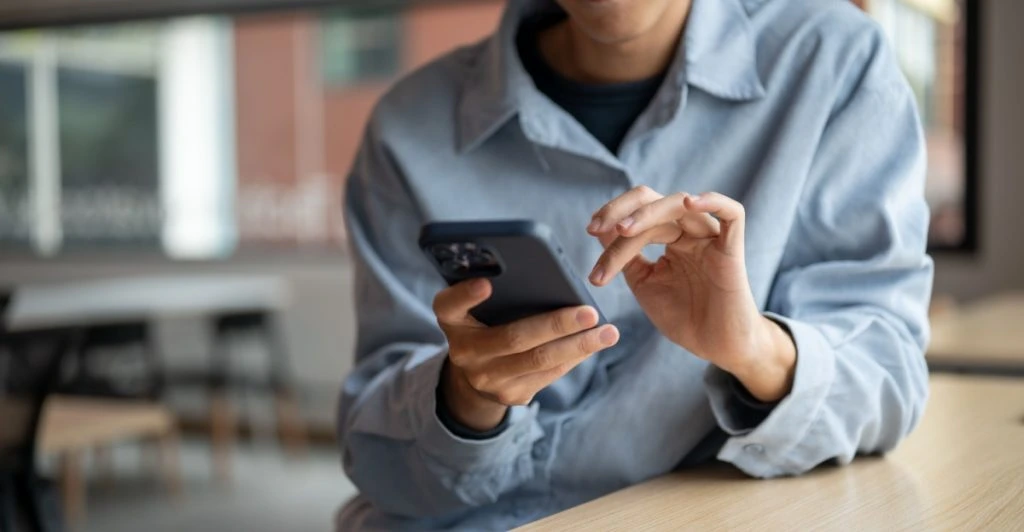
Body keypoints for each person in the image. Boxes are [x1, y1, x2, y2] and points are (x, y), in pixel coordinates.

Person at [336, 0, 933, 529]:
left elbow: (888, 377)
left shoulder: (832, 58)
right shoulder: (407, 126)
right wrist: (467, 399)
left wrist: (755, 348)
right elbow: (375, 459)